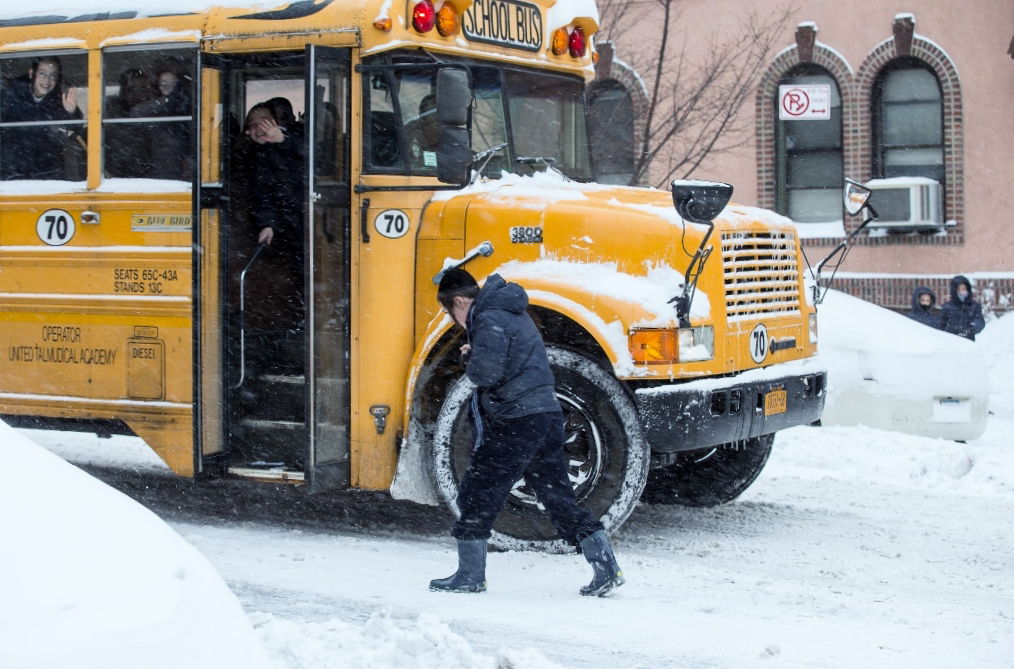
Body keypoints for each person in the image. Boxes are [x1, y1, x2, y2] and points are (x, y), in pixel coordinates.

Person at [430, 268, 624, 597]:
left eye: (451, 313)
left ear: (460, 302)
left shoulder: (489, 318)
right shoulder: (510, 313)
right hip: (544, 415)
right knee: (557, 498)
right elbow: (512, 360)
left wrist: (473, 355)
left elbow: (485, 374)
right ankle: (606, 566)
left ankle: (470, 575)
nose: (454, 321)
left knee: (477, 492)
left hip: (515, 420)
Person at [0, 56, 82, 180]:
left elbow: (76, 130)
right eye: (42, 73)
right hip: (11, 169)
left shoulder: (58, 101)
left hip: (46, 171)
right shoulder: (11, 94)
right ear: (32, 73)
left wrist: (72, 112)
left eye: (52, 75)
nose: (47, 80)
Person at [941, 275, 985, 341]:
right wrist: (951, 329)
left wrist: (970, 330)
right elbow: (941, 323)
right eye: (958, 290)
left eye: (963, 289)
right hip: (950, 340)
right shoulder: (947, 307)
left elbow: (979, 322)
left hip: (968, 340)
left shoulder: (974, 306)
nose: (961, 292)